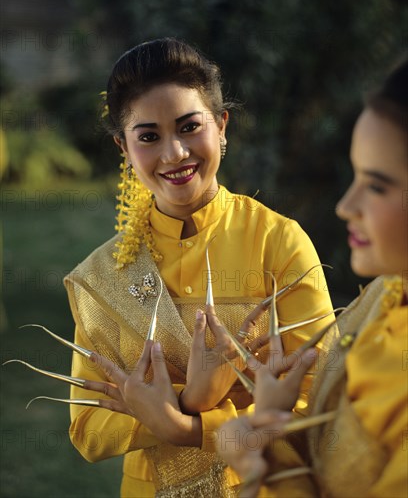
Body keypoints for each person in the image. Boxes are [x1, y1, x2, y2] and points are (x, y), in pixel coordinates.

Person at [64, 38, 333, 497]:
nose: (174, 154)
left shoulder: (277, 243)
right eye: (148, 137)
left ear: (222, 125)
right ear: (123, 148)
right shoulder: (104, 274)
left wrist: (186, 425)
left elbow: (325, 399)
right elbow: (88, 428)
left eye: (190, 127)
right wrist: (192, 402)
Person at [217, 59, 408, 497]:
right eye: (354, 174)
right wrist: (272, 425)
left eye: (376, 186)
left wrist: (259, 453)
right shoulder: (384, 294)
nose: (346, 204)